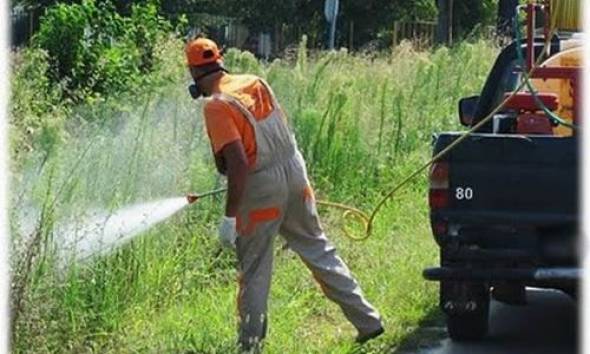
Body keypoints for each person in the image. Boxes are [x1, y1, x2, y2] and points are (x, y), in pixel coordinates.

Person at [185, 37, 384, 352]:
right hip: (294, 170)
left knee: (254, 266)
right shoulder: (254, 81)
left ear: (193, 72)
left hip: (261, 185)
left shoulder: (216, 105)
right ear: (220, 60)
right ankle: (368, 320)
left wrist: (229, 217)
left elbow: (237, 163)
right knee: (318, 248)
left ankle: (249, 345)